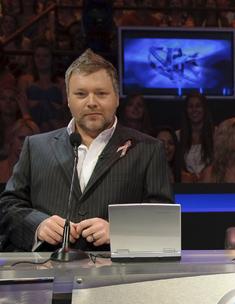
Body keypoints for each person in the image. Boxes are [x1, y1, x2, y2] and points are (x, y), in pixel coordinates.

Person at [0, 49, 173, 252]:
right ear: (68, 99)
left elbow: (163, 220)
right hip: (47, 273)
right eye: (81, 94)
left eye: (101, 93)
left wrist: (119, 231)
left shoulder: (148, 149)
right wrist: (37, 225)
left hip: (117, 278)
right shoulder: (35, 147)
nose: (91, 102)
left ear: (116, 98)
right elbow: (8, 206)